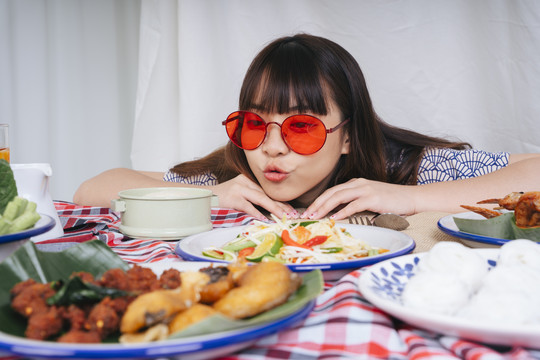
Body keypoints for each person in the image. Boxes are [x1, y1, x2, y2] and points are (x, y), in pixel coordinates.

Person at [74, 33, 540, 221]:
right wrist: (209, 196)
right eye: (255, 125)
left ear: (349, 137)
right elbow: (93, 188)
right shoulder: (235, 174)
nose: (271, 149)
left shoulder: (406, 167)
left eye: (300, 128)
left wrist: (412, 197)